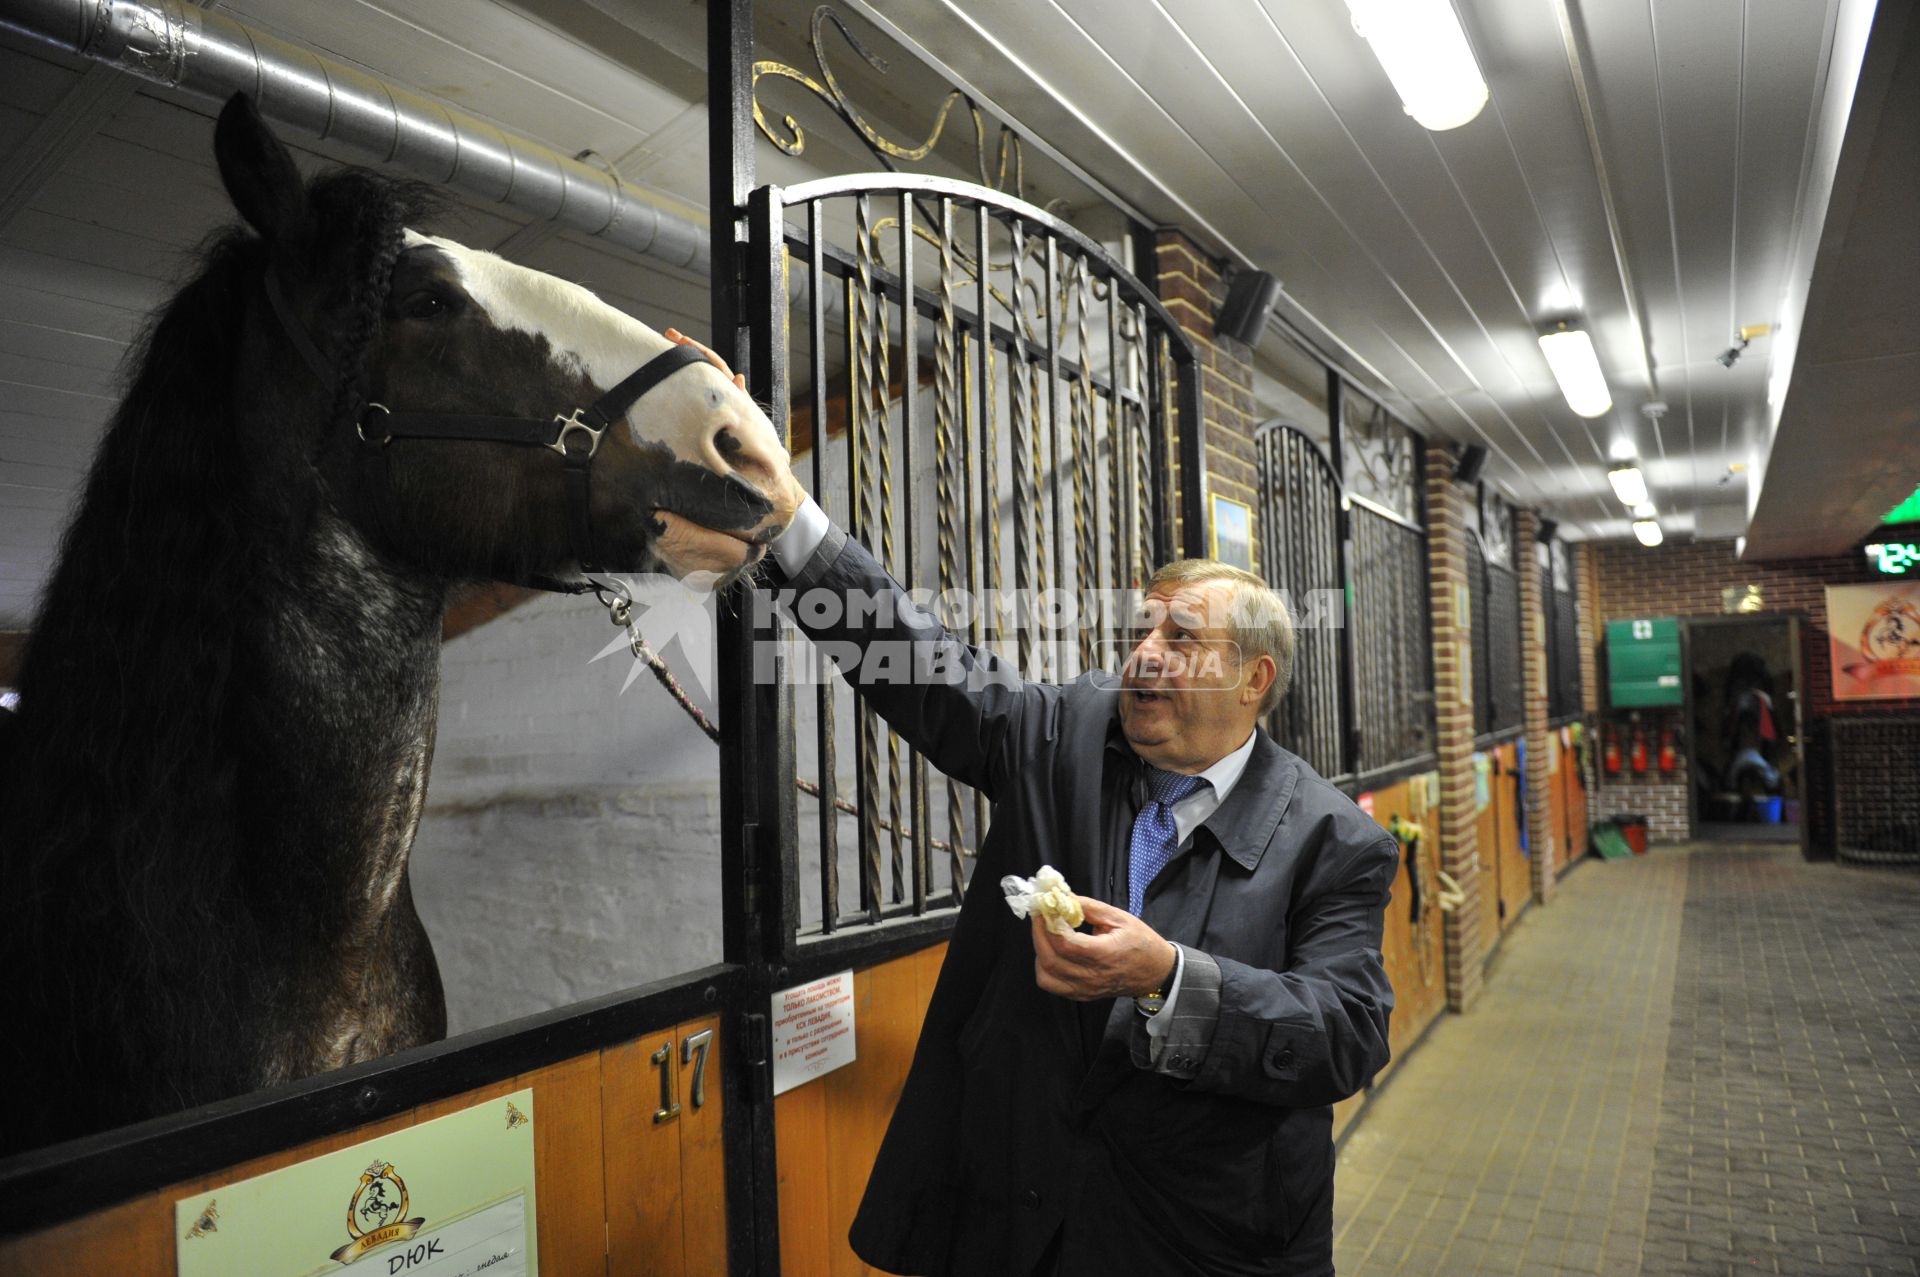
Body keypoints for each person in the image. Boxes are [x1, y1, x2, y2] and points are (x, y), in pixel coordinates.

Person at [671, 332, 1396, 1276]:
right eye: (1141, 630)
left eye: (1181, 638)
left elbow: (1343, 1032)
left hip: (1198, 1240)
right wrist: (791, 514)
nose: (1144, 655)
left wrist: (1170, 976)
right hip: (1021, 1221)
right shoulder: (1066, 736)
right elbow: (928, 670)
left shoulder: (1334, 840)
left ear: (1254, 678)